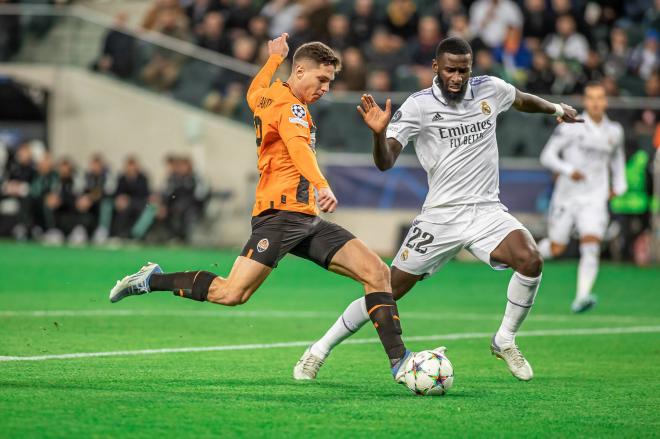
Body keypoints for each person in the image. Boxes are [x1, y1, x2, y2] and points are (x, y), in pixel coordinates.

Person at [109, 34, 417, 383]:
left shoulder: (268, 96)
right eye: (322, 79)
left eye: (330, 82)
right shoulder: (293, 109)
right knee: (231, 293)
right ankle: (152, 279)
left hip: (305, 217)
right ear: (300, 71)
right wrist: (322, 185)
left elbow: (253, 90)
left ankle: (400, 362)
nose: (326, 89)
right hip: (281, 216)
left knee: (376, 272)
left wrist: (273, 59)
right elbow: (300, 150)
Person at [293, 36, 582, 383]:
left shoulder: (490, 89)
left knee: (531, 259)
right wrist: (378, 134)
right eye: (450, 70)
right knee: (386, 288)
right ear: (436, 68)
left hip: (486, 210)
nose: (457, 77)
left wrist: (556, 109)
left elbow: (521, 100)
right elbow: (386, 162)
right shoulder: (418, 106)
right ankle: (318, 350)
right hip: (440, 217)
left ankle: (504, 339)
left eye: (463, 70)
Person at [537, 82, 627, 313]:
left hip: (594, 199)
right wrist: (568, 170)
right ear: (585, 101)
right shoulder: (571, 126)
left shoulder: (614, 131)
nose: (596, 102)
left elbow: (617, 161)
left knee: (591, 244)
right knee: (557, 247)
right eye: (591, 98)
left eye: (600, 98)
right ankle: (525, 257)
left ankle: (582, 296)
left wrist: (619, 185)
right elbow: (547, 156)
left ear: (605, 101)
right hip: (567, 197)